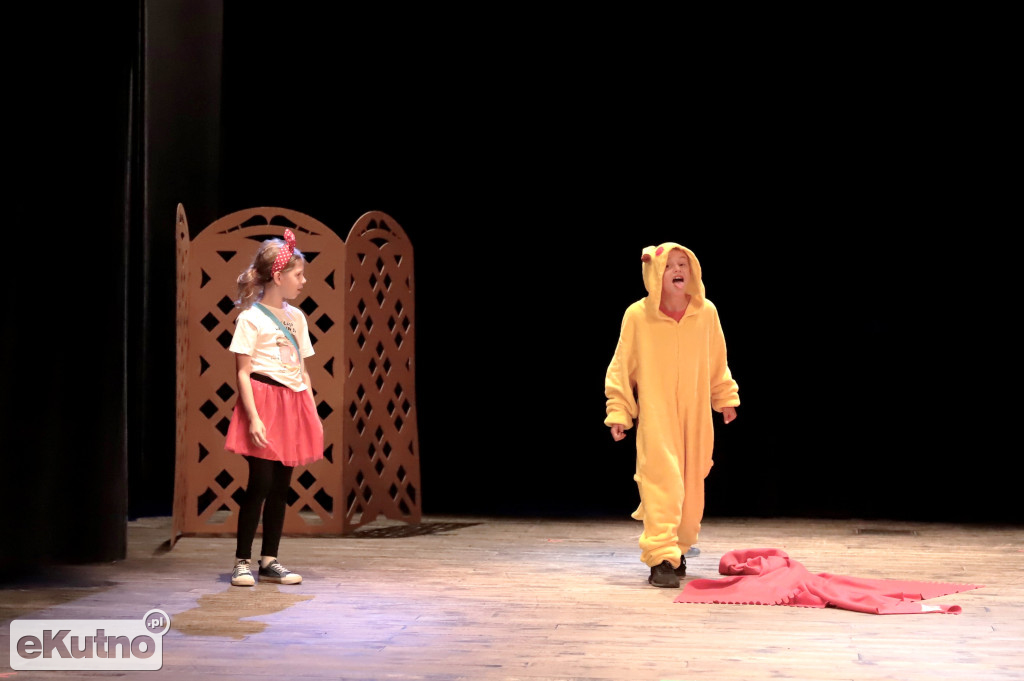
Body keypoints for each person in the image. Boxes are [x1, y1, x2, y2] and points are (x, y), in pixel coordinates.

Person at [605, 243, 740, 588]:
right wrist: (619, 409)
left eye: (683, 263)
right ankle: (661, 557)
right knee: (661, 482)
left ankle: (677, 549)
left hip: (696, 416)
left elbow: (717, 360)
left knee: (692, 489)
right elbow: (622, 367)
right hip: (657, 415)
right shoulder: (638, 316)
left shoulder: (706, 312)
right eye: (669, 265)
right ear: (654, 273)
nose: (678, 269)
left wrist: (725, 396)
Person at [223, 228, 324, 586]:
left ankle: (269, 560)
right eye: (298, 274)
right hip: (263, 402)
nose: (303, 281)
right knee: (261, 482)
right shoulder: (250, 318)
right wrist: (253, 417)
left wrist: (311, 411)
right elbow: (243, 372)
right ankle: (241, 561)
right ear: (278, 277)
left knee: (282, 484)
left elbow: (302, 370)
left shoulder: (297, 318)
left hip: (292, 402)